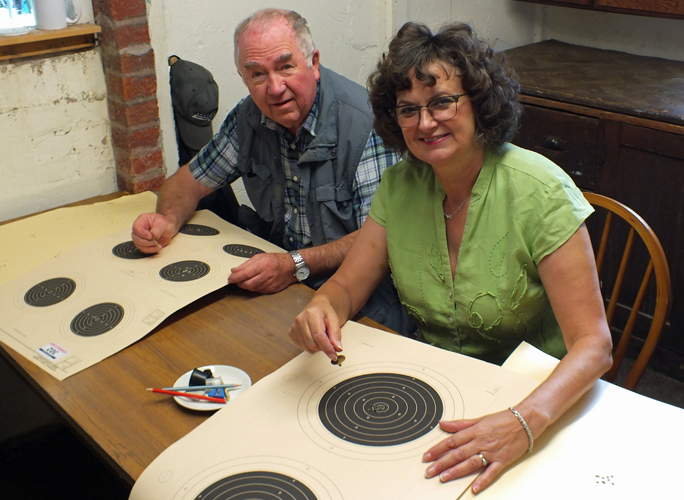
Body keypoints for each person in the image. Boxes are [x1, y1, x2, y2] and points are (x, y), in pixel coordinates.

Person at [288, 22, 613, 493]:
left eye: (441, 101)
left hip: (540, 402)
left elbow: (594, 345)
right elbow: (345, 288)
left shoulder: (540, 192)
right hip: (441, 396)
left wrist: (523, 423)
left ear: (479, 103)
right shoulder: (400, 187)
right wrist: (322, 308)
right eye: (408, 109)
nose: (424, 123)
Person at [132, 9, 413, 334]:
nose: (275, 87)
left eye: (286, 67)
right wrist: (167, 219)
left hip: (364, 305)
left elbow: (377, 242)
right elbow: (188, 182)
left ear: (314, 63)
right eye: (258, 75)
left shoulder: (366, 124)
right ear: (244, 78)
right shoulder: (248, 117)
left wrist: (294, 265)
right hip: (285, 293)